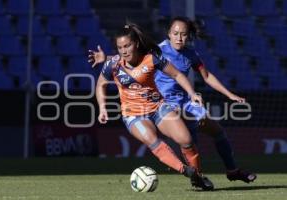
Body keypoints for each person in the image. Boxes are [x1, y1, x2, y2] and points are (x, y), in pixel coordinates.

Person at [88, 17, 257, 184]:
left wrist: (228, 94)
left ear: (189, 35)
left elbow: (205, 76)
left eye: (183, 34)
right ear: (168, 33)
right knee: (185, 134)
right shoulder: (158, 50)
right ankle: (192, 173)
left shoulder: (191, 55)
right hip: (164, 102)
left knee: (215, 131)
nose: (179, 37)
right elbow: (130, 57)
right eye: (175, 33)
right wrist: (107, 59)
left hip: (181, 101)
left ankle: (230, 170)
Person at [92, 23, 214, 190]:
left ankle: (197, 176)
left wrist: (192, 93)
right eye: (120, 47)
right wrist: (102, 108)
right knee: (152, 139)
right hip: (133, 114)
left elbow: (177, 74)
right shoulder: (112, 64)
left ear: (135, 44)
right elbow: (100, 84)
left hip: (158, 108)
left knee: (186, 140)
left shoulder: (151, 58)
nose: (124, 51)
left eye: (127, 46)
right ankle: (185, 170)